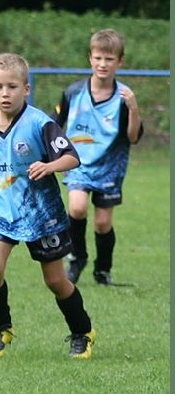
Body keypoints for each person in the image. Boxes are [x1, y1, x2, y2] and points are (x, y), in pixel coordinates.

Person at [0, 53, 96, 361]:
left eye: (12, 87)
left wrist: (49, 166)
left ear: (26, 89)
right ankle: (0, 329)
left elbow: (71, 158)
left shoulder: (40, 123)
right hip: (3, 211)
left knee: (55, 281)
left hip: (43, 215)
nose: (5, 93)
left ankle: (82, 332)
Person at [53, 28, 143, 286]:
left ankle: (102, 271)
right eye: (98, 58)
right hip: (78, 162)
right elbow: (55, 126)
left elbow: (134, 137)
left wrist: (134, 109)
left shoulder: (125, 97)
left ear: (120, 62)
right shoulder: (73, 93)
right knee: (77, 207)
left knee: (103, 223)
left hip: (110, 167)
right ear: (90, 58)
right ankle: (77, 258)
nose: (103, 64)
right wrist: (56, 158)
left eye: (109, 59)